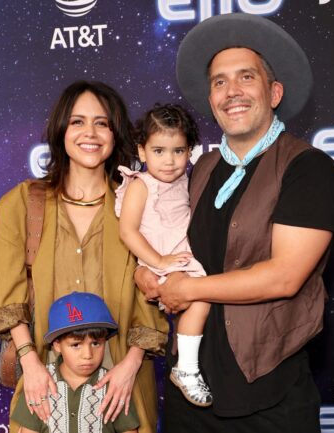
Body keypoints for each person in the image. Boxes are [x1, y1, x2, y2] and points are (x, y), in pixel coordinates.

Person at [136, 13, 334, 432]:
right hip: (190, 391)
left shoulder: (307, 167)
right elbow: (171, 235)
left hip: (268, 394)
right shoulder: (202, 166)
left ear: (274, 92)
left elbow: (284, 277)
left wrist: (189, 288)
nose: (232, 91)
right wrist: (149, 269)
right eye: (219, 82)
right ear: (210, 99)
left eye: (246, 77)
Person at [0, 80, 168, 433]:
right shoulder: (21, 204)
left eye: (101, 123)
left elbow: (153, 298)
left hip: (122, 387)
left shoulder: (144, 205)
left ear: (116, 133)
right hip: (44, 384)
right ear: (60, 130)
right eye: (77, 122)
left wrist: (130, 366)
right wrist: (32, 365)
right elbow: (9, 299)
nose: (91, 133)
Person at [114, 104, 211, 407]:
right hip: (160, 260)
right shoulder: (140, 185)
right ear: (142, 152)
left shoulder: (186, 180)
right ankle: (187, 368)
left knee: (200, 301)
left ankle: (185, 363)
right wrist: (158, 263)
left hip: (180, 258)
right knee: (202, 298)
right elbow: (128, 232)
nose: (169, 161)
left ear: (190, 151)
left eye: (178, 151)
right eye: (159, 151)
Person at [11, 292, 140, 433]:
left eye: (96, 343)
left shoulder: (114, 386)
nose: (88, 355)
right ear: (57, 345)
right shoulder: (40, 383)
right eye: (76, 345)